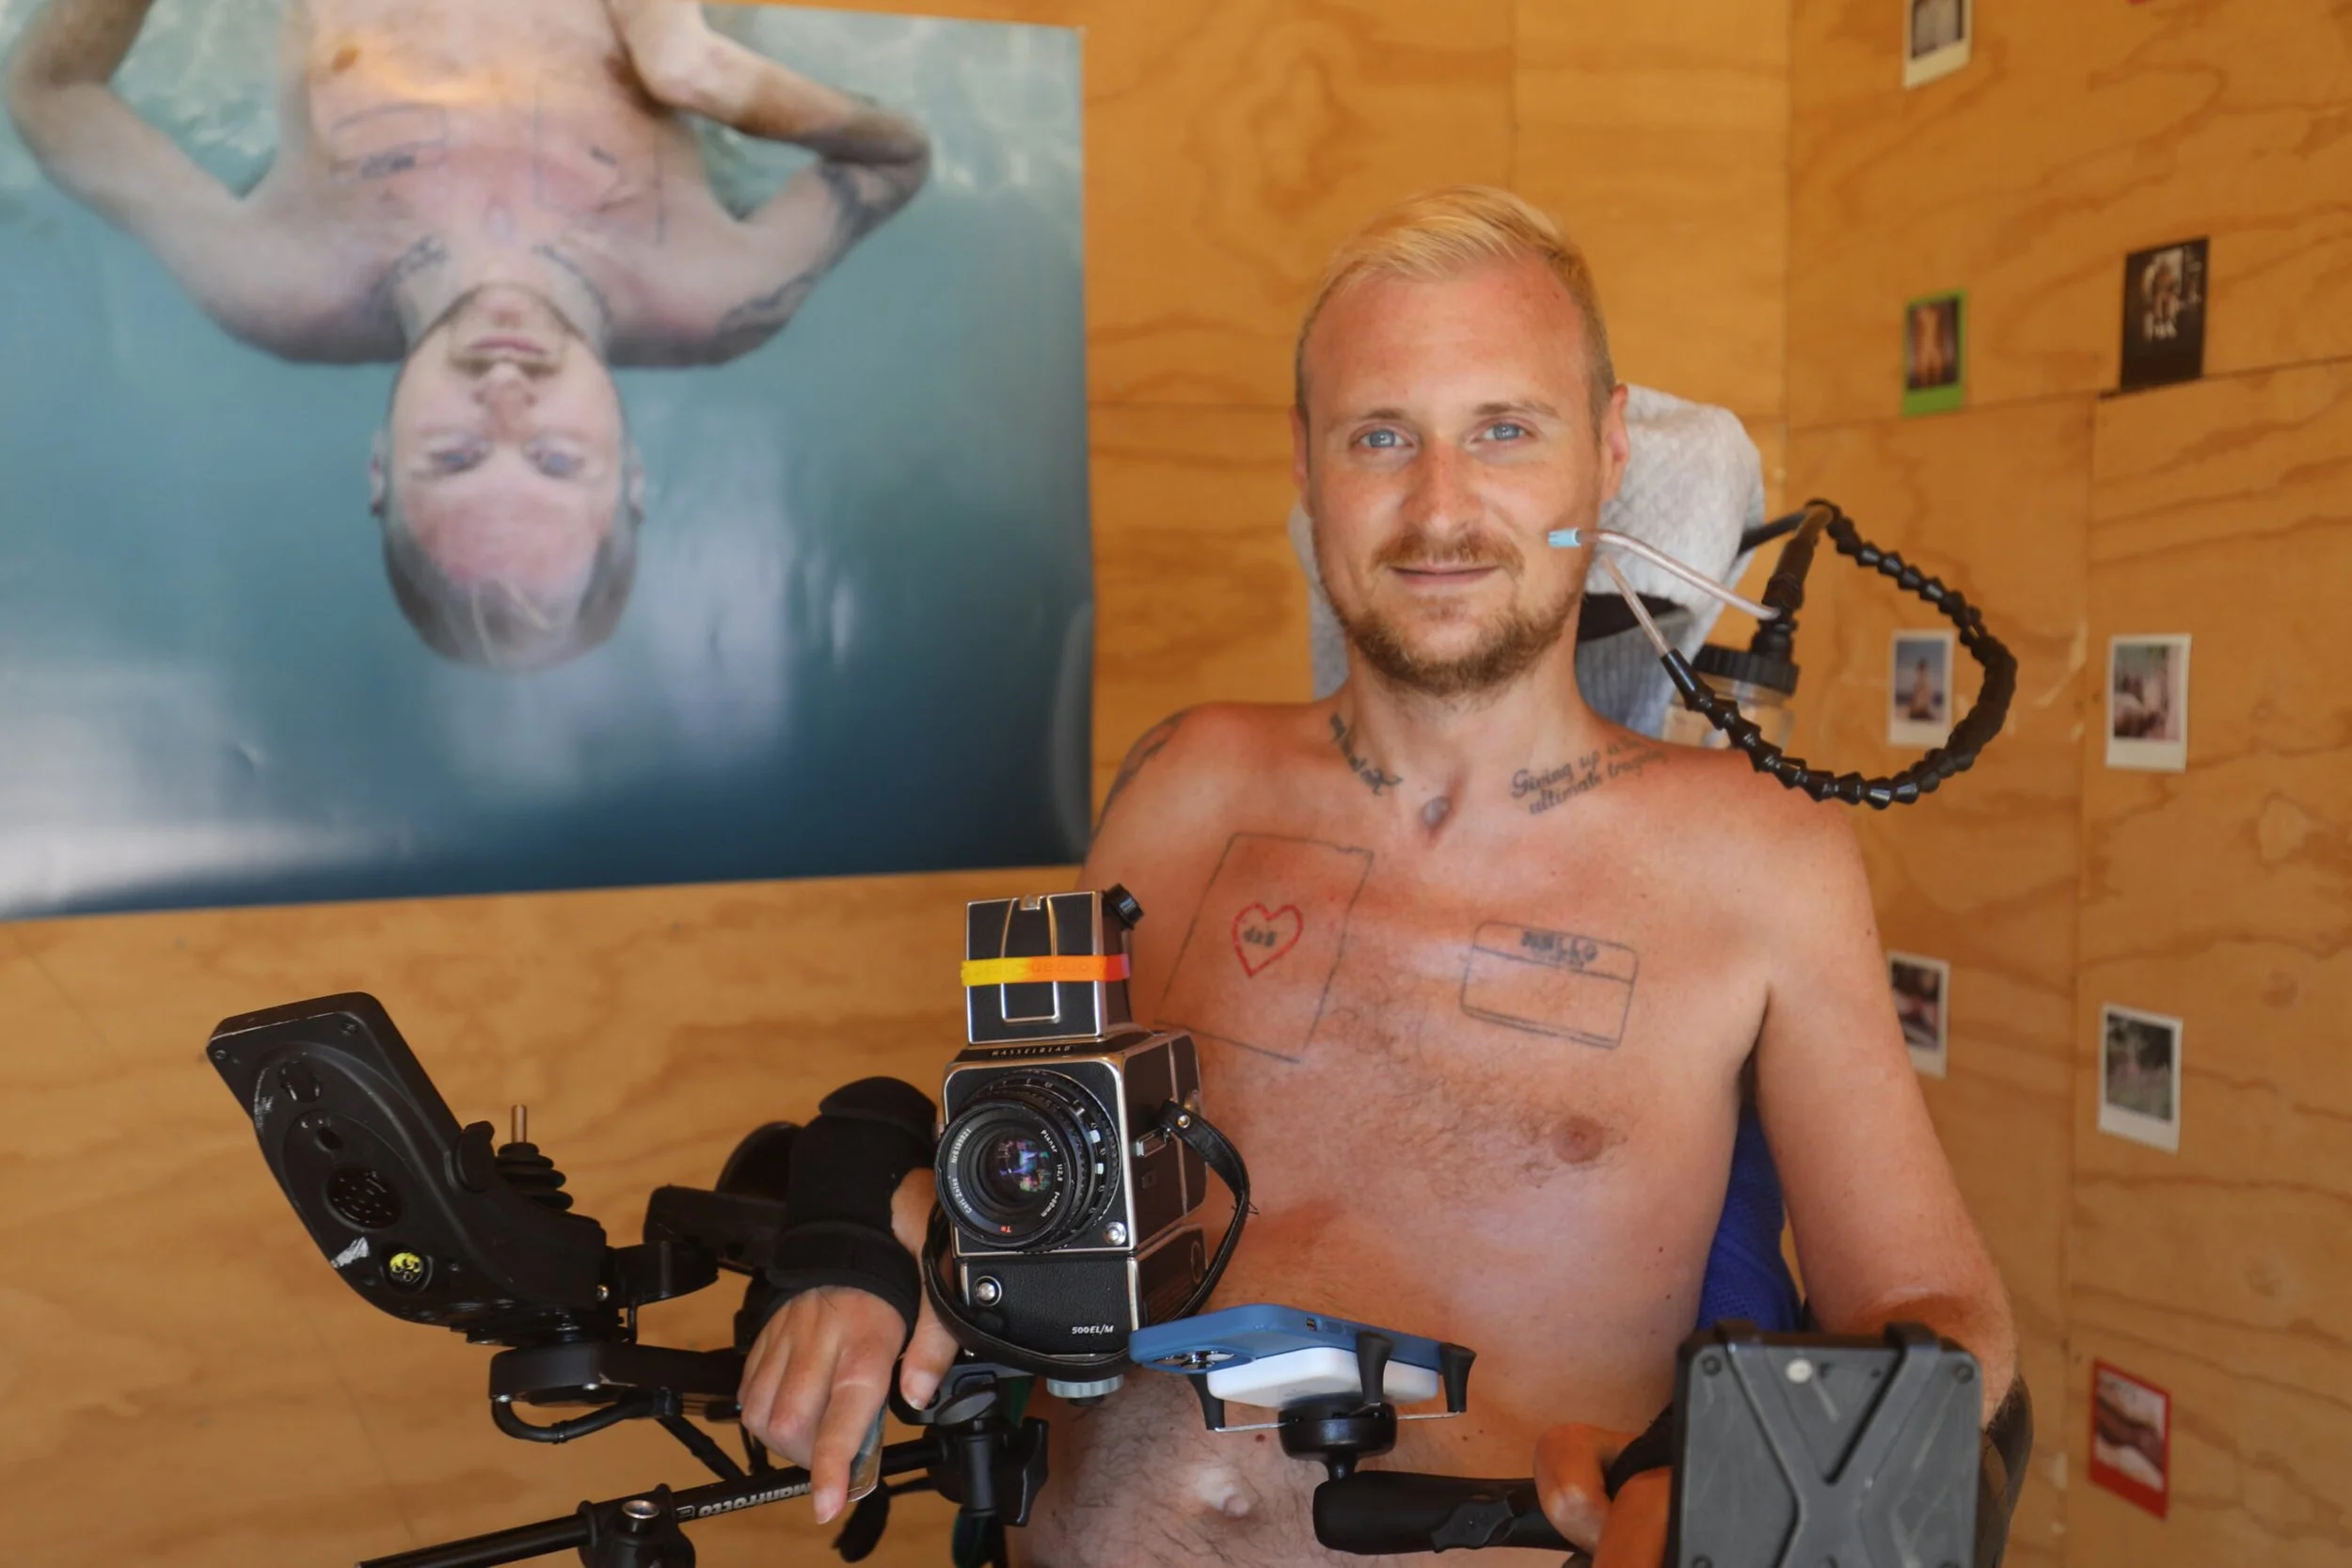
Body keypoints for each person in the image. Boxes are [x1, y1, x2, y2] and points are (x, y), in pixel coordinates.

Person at [733, 186, 2016, 1566]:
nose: (1441, 507)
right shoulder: (1187, 781)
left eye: (1505, 431)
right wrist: (863, 1251)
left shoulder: (1764, 855)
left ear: (1609, 448)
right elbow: (1013, 1163)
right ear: (1306, 463)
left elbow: (1952, 1323)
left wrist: (1712, 1474)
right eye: (1381, 436)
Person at [4, 0, 929, 670]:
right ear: (634, 471)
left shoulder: (278, 283)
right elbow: (898, 161)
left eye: (454, 454)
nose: (503, 395)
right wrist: (703, 71)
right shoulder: (720, 293)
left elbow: (51, 95)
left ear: (379, 465)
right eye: (557, 459)